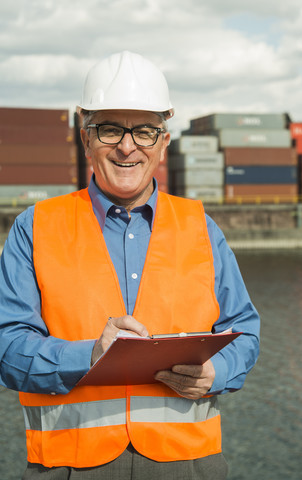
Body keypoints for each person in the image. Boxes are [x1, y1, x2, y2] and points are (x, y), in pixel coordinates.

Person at [0, 51, 260, 479]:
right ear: (85, 138)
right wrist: (91, 356)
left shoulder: (200, 227)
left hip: (189, 465)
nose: (127, 146)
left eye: (144, 130)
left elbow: (244, 331)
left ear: (163, 143)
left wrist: (218, 371)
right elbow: (7, 349)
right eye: (109, 129)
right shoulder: (35, 228)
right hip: (69, 467)